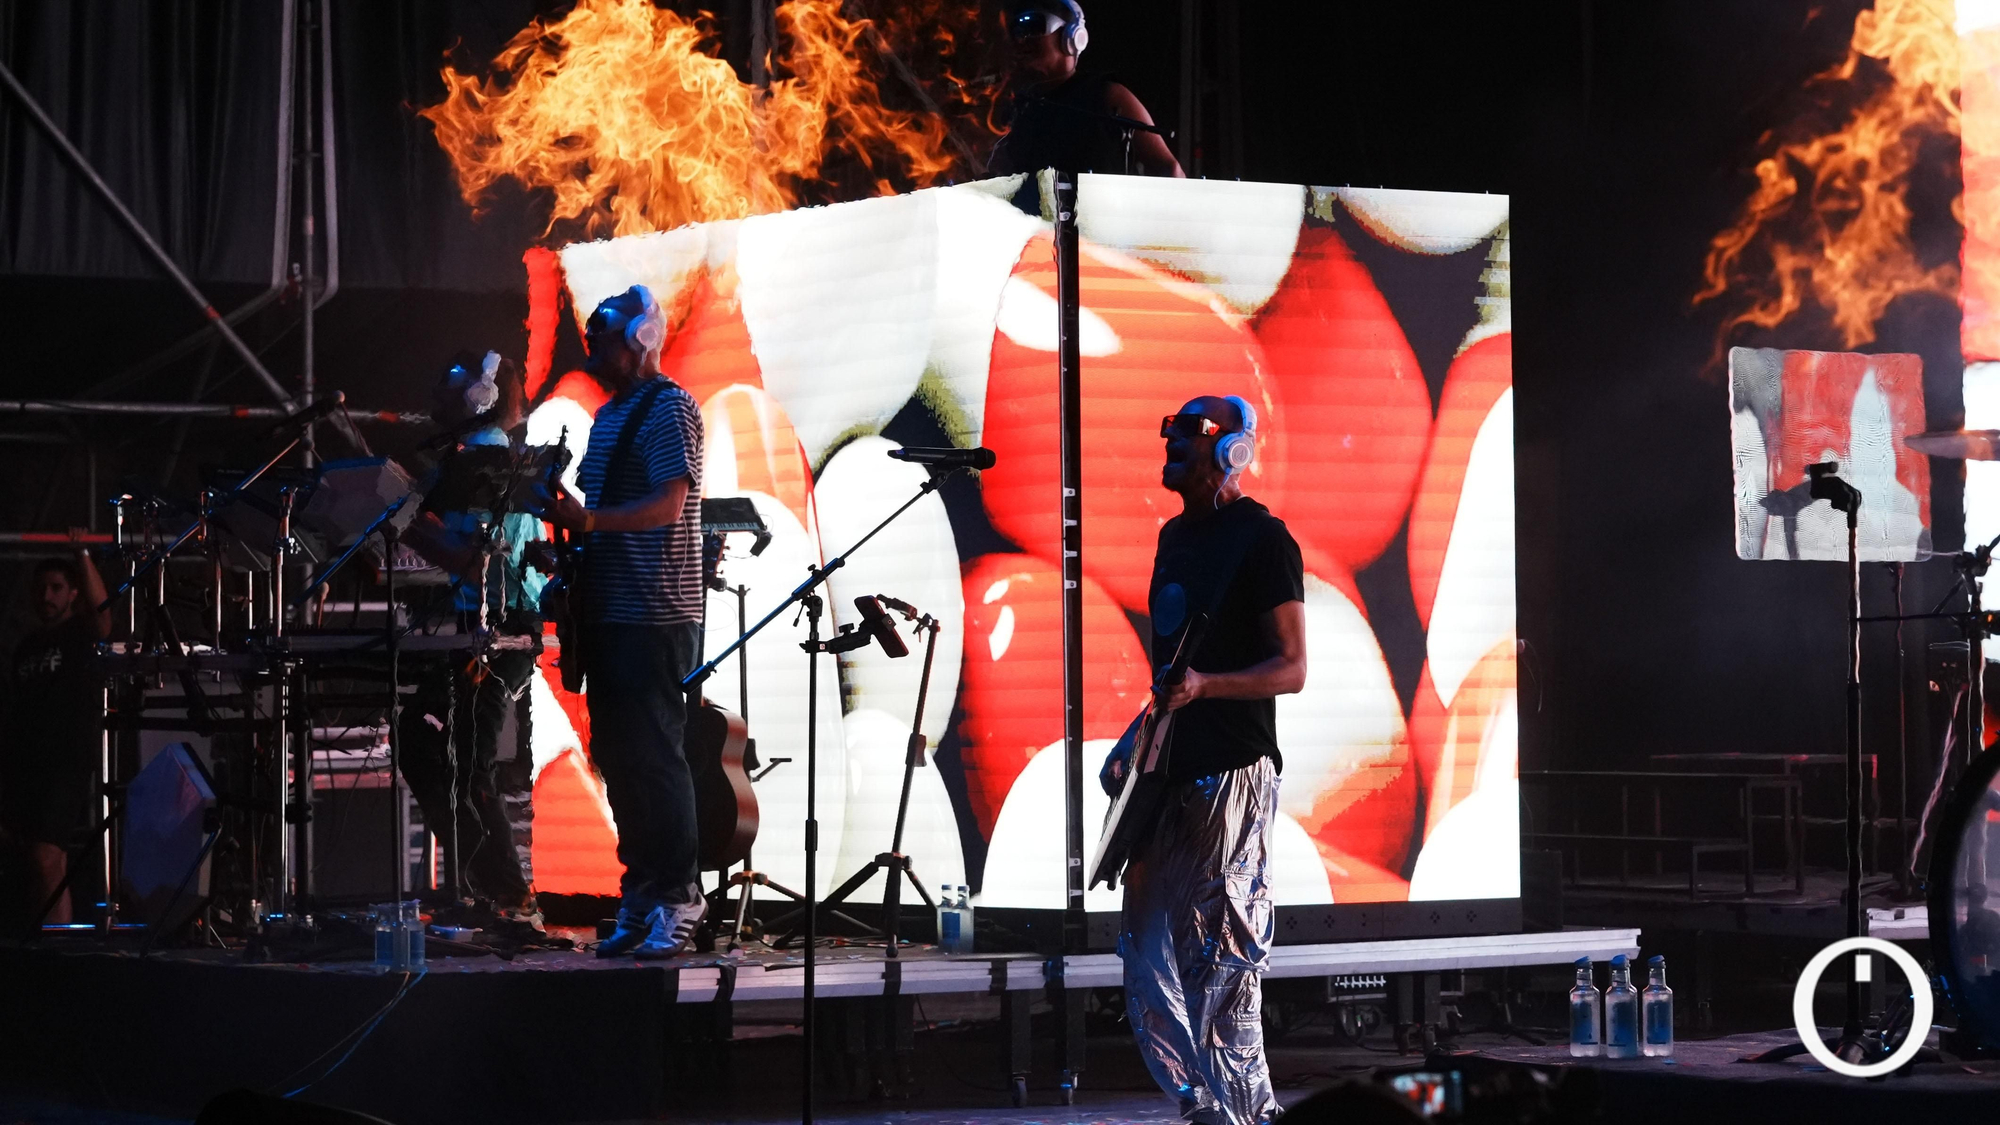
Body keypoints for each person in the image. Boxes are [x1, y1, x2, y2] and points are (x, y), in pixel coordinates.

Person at [1107, 395, 1304, 1125]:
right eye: (1172, 429)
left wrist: (1205, 687)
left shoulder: (1263, 539)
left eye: (1193, 431)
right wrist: (1137, 738)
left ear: (1232, 451)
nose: (1174, 441)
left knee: (1222, 956)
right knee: (1147, 946)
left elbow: (1292, 667)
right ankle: (1202, 1106)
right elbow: (1173, 671)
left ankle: (1250, 1113)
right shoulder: (1173, 537)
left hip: (1233, 768)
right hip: (1167, 771)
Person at [529, 285, 708, 959]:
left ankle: (680, 895)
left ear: (641, 338)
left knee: (656, 757)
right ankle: (642, 894)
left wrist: (591, 521)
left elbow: (668, 504)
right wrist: (567, 551)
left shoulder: (671, 408)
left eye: (602, 337)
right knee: (620, 759)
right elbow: (602, 517)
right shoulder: (607, 418)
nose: (591, 350)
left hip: (654, 612)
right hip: (610, 610)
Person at [398, 351, 546, 931]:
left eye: (448, 386)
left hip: (499, 629)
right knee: (433, 745)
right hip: (479, 629)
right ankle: (487, 885)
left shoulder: (481, 463)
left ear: (479, 397)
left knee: (465, 759)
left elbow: (471, 560)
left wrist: (405, 523)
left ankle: (509, 894)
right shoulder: (464, 460)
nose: (435, 396)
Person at [1, 543, 110, 927]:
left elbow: (103, 616)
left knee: (46, 854)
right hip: (30, 762)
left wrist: (82, 555)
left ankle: (56, 942)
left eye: (56, 588)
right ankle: (51, 937)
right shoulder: (27, 647)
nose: (46, 596)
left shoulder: (78, 633)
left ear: (73, 592)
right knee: (42, 860)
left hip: (67, 758)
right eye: (41, 589)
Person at [987, 0, 1185, 182]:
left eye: (1034, 28)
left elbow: (1169, 169)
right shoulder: (1025, 107)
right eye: (1018, 32)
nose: (1022, 40)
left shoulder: (1107, 94)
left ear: (1072, 37)